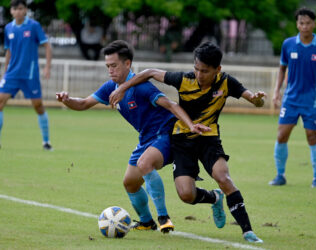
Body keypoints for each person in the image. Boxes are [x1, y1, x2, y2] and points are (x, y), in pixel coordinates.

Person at [109, 41, 266, 243]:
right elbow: (148, 72)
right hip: (182, 141)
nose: (199, 75)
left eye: (205, 71)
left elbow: (254, 100)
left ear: (218, 69)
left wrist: (257, 99)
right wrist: (123, 87)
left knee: (223, 176)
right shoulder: (183, 79)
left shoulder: (227, 83)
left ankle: (248, 231)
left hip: (209, 139)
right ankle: (214, 198)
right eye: (196, 69)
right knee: (186, 195)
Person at [56, 40, 210, 233]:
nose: (110, 70)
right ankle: (147, 221)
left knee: (145, 164)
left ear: (127, 64)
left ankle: (163, 217)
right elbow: (84, 103)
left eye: (114, 66)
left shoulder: (141, 87)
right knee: (130, 182)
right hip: (147, 139)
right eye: (107, 67)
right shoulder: (110, 87)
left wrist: (190, 125)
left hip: (167, 135)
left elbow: (171, 105)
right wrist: (67, 100)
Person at [269, 7, 316, 188]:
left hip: (311, 100)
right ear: (297, 24)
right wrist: (277, 90)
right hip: (290, 99)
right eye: (301, 23)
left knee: (312, 137)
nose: (305, 26)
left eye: (308, 23)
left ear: (314, 24)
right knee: (281, 135)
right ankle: (280, 175)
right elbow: (282, 68)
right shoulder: (288, 44)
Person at [0, 0, 52, 150]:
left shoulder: (34, 26)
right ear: (11, 11)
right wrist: (5, 72)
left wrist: (47, 67)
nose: (18, 11)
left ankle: (46, 141)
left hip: (30, 75)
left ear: (26, 10)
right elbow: (8, 51)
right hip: (12, 75)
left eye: (21, 8)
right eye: (15, 9)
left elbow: (47, 45)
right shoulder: (9, 28)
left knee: (38, 106)